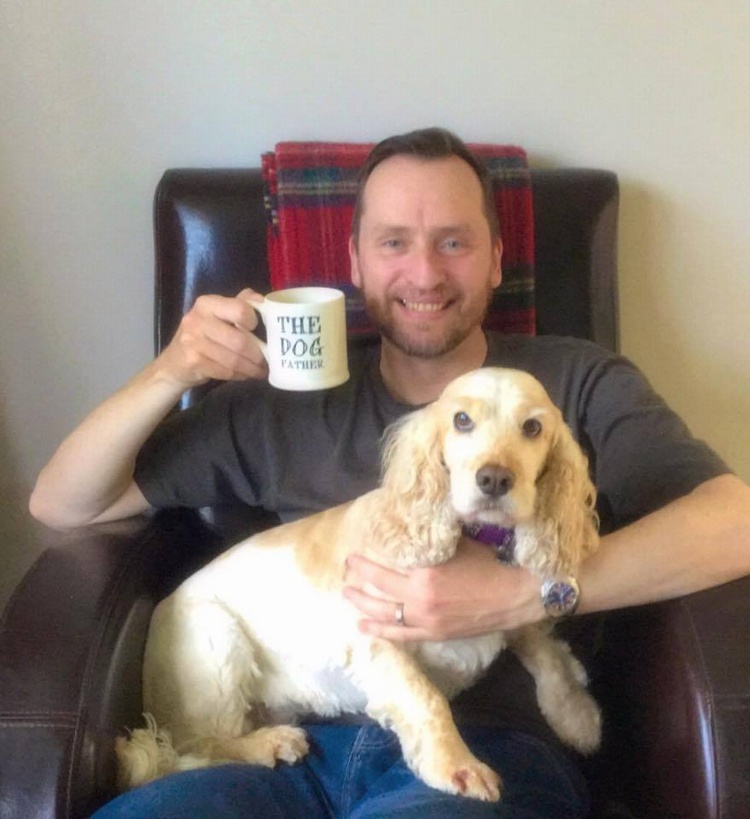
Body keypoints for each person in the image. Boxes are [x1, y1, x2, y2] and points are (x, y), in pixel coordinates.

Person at [30, 128, 750, 818]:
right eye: (394, 243)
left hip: (492, 744)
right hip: (285, 748)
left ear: (497, 259)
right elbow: (63, 502)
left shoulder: (575, 382)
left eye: (454, 242)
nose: (425, 273)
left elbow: (735, 523)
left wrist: (519, 596)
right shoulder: (276, 405)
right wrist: (174, 369)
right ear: (355, 262)